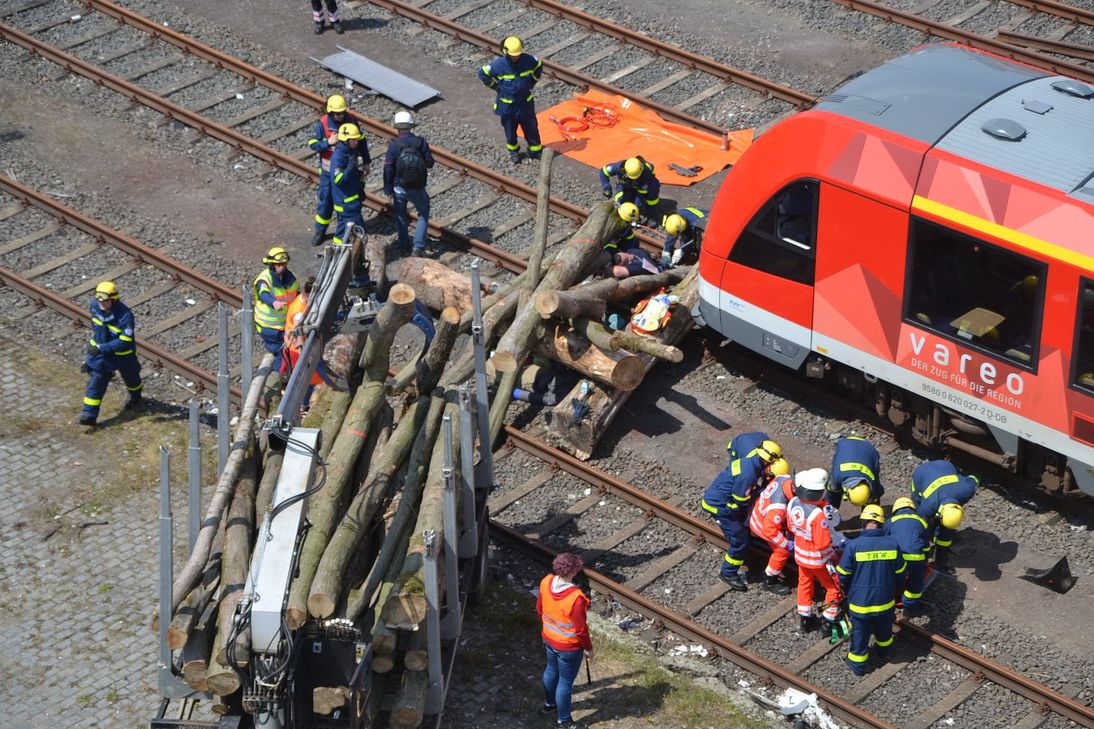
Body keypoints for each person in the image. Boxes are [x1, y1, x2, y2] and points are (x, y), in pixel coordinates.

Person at [701, 439, 782, 591]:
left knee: (743, 524)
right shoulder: (749, 474)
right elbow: (740, 501)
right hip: (720, 506)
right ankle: (728, 572)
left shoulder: (751, 462)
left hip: (721, 498)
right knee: (740, 542)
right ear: (767, 460)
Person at [836, 504, 905, 676]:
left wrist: (848, 588)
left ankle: (858, 666)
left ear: (863, 521)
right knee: (884, 630)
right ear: (882, 523)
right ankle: (884, 653)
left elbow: (843, 574)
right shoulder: (892, 544)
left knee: (860, 635)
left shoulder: (854, 546)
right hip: (885, 600)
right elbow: (901, 573)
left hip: (861, 603)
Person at [537, 552, 592, 729]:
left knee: (551, 669)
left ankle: (549, 704)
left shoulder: (546, 582)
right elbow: (581, 630)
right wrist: (589, 649)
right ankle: (564, 721)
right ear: (572, 572)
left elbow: (539, 608)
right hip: (569, 647)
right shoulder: (575, 598)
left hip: (548, 638)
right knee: (566, 682)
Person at [78, 281, 143, 427]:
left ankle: (136, 397)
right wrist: (91, 359)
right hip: (103, 356)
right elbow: (98, 331)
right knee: (96, 383)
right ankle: (89, 416)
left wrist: (101, 348)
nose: (101, 303)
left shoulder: (125, 316)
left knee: (132, 379)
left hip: (123, 355)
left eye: (105, 300)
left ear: (113, 300)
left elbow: (125, 341)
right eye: (99, 299)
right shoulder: (95, 306)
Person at [787, 468, 844, 633]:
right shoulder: (818, 515)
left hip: (800, 555)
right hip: (818, 560)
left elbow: (791, 527)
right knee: (833, 588)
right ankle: (828, 619)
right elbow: (822, 543)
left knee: (804, 583)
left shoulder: (793, 503)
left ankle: (805, 618)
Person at [281, 277, 348, 410]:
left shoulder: (302, 299)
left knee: (311, 379)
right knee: (306, 380)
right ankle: (302, 406)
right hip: (297, 351)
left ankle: (303, 404)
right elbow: (299, 335)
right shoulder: (299, 313)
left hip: (303, 346)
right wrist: (304, 354)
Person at [478, 36, 543, 164]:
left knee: (531, 129)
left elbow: (539, 65)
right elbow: (482, 73)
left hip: (525, 103)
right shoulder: (499, 65)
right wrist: (496, 87)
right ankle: (514, 152)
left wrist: (532, 82)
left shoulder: (528, 60)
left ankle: (535, 151)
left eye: (518, 54)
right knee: (510, 132)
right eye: (513, 55)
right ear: (506, 52)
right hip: (508, 107)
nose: (516, 57)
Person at [911, 460, 978, 574]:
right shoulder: (927, 507)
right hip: (921, 474)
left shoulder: (967, 489)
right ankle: (934, 536)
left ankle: (941, 559)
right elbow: (919, 528)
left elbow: (974, 479)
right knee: (921, 520)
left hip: (945, 466)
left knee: (945, 532)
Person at [308, 95, 357, 246]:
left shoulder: (351, 120)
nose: (340, 116)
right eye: (337, 114)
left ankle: (344, 234)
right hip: (328, 172)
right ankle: (320, 231)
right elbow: (313, 144)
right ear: (330, 113)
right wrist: (328, 143)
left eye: (342, 112)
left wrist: (366, 162)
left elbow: (361, 141)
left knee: (346, 203)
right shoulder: (323, 123)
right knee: (326, 202)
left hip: (348, 171)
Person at [383, 110, 435, 255]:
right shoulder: (420, 142)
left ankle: (404, 244)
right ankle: (418, 247)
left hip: (399, 187)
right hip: (418, 187)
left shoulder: (394, 145)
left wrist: (388, 189)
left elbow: (388, 168)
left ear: (397, 127)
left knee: (400, 215)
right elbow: (430, 163)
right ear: (411, 126)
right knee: (423, 213)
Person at [747, 458, 795, 595]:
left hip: (762, 512)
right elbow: (770, 531)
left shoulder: (783, 478)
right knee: (781, 551)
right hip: (761, 524)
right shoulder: (778, 508)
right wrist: (786, 544)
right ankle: (769, 579)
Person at [253, 246, 299, 372]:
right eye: (279, 264)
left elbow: (296, 293)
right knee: (281, 351)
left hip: (283, 324)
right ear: (272, 265)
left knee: (288, 348)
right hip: (269, 326)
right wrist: (273, 302)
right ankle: (277, 376)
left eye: (284, 264)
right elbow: (263, 294)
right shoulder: (265, 280)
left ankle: (284, 373)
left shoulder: (291, 278)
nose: (282, 266)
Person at [887, 496, 931, 613]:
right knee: (915, 583)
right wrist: (924, 561)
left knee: (891, 579)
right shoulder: (921, 522)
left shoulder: (891, 521)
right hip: (917, 558)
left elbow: (884, 541)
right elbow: (926, 546)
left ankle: (890, 601)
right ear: (912, 508)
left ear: (895, 510)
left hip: (897, 558)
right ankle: (909, 608)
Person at [330, 122, 371, 246]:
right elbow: (337, 180)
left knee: (342, 231)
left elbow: (350, 174)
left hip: (351, 201)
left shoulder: (349, 151)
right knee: (360, 233)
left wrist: (358, 174)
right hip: (346, 204)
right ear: (346, 140)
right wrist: (349, 169)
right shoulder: (338, 157)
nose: (357, 142)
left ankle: (338, 250)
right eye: (354, 140)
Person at [828, 436, 884, 509]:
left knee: (873, 501)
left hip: (868, 449)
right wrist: (831, 511)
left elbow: (877, 495)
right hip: (847, 445)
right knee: (835, 490)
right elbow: (831, 492)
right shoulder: (837, 476)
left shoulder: (873, 486)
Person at [599, 156, 660, 222]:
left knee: (649, 196)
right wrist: (607, 188)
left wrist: (637, 208)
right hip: (627, 185)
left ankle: (653, 216)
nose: (635, 178)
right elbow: (603, 172)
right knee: (619, 200)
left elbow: (641, 194)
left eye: (636, 177)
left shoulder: (646, 174)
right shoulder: (619, 167)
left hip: (647, 185)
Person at [514, 359, 578, 406]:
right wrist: (516, 393)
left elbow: (538, 398)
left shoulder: (559, 397)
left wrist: (515, 393)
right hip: (529, 370)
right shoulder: (574, 375)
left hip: (525, 379)